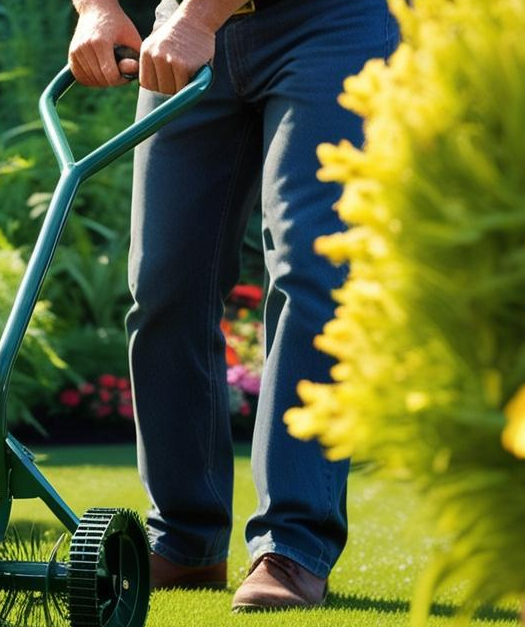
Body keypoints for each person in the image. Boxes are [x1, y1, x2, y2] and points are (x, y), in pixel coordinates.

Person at [67, 0, 399, 612]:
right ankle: (184, 540)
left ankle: (294, 545)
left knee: (313, 272)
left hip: (332, 24)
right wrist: (97, 9)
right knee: (164, 283)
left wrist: (197, 19)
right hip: (187, 29)